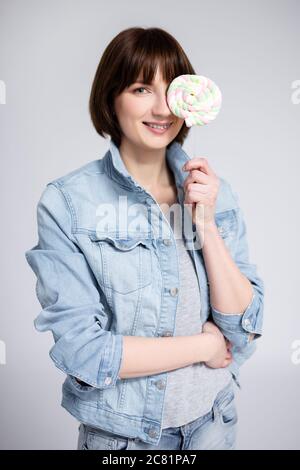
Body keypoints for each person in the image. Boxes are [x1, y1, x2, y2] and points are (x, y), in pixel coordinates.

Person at [25, 27, 264, 450]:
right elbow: (86, 352)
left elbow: (242, 328)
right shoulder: (68, 203)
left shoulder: (214, 192)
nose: (161, 108)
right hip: (125, 442)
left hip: (213, 424)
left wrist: (205, 223)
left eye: (171, 90)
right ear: (111, 98)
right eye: (140, 88)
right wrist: (203, 346)